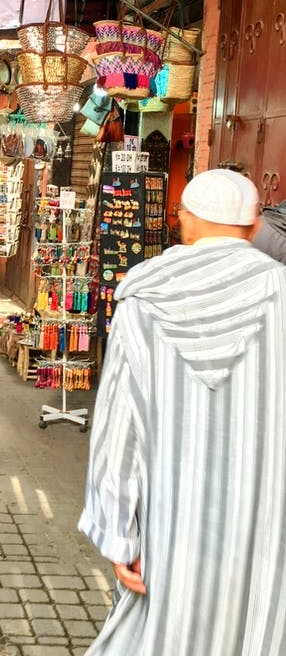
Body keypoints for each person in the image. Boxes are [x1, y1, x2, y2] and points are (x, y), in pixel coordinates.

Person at [80, 168, 286, 656]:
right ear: (254, 224)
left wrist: (118, 534)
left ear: (186, 220)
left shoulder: (144, 297)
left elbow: (119, 429)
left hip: (169, 524)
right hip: (268, 521)